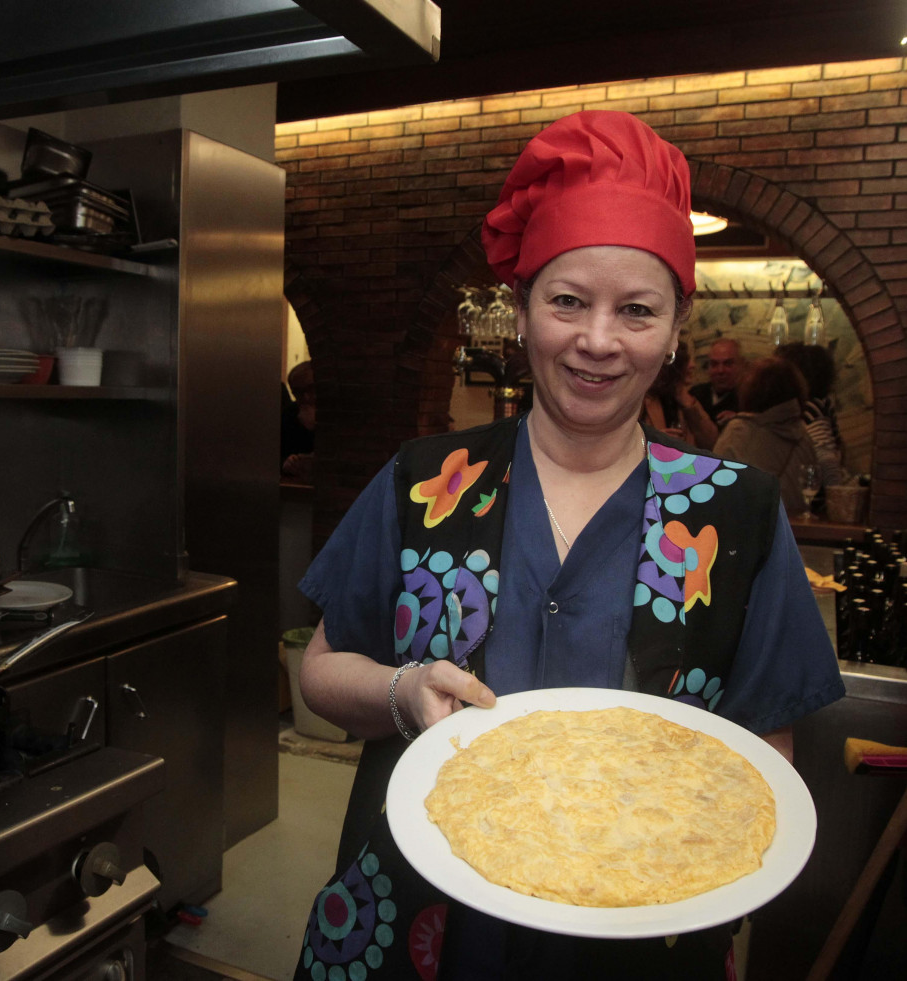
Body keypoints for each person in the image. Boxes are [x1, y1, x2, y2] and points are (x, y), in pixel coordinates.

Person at [293, 111, 843, 981]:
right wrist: (403, 692)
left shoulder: (733, 513)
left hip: (645, 932)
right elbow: (320, 669)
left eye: (635, 311)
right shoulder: (425, 480)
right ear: (519, 310)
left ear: (674, 328)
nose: (597, 341)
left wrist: (690, 859)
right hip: (412, 920)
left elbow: (762, 750)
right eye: (566, 301)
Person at [713, 357, 819, 514]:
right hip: (792, 532)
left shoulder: (739, 431)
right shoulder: (804, 437)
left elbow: (715, 490)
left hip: (749, 531)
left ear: (751, 391)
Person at [774, 341, 851, 487]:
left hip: (811, 501)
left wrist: (832, 498)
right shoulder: (816, 405)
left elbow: (827, 462)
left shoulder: (811, 410)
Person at [641, 340, 719, 448]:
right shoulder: (642, 399)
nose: (693, 365)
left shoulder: (688, 399)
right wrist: (655, 439)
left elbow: (712, 442)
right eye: (687, 360)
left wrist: (690, 406)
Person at [690, 337, 744, 427]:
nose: (720, 370)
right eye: (714, 364)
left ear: (741, 364)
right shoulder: (695, 394)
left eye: (728, 364)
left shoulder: (747, 400)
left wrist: (739, 420)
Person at [281, 360, 316, 482]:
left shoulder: (337, 412)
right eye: (299, 392)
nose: (305, 397)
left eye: (311, 389)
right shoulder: (289, 413)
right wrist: (287, 462)